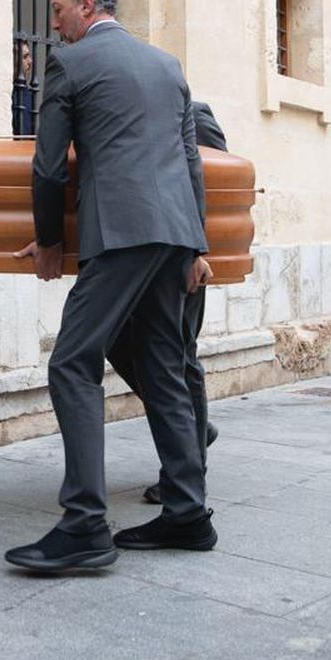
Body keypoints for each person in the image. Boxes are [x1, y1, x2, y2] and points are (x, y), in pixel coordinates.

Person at [8, 0, 212, 571]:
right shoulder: (166, 64)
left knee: (72, 362)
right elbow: (190, 160)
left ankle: (85, 525)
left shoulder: (70, 64)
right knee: (163, 369)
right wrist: (196, 243)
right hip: (174, 233)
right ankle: (187, 512)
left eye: (58, 9)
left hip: (120, 232)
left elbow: (47, 167)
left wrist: (48, 240)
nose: (54, 22)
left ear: (88, 5)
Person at [110, 99, 225, 506]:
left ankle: (189, 471)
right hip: (138, 254)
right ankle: (191, 426)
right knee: (116, 342)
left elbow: (215, 183)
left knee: (180, 356)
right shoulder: (129, 118)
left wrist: (200, 252)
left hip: (188, 258)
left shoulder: (193, 114)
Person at [11, 40, 37, 136]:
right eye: (25, 57)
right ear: (14, 60)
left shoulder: (25, 92)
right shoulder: (18, 94)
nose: (30, 61)